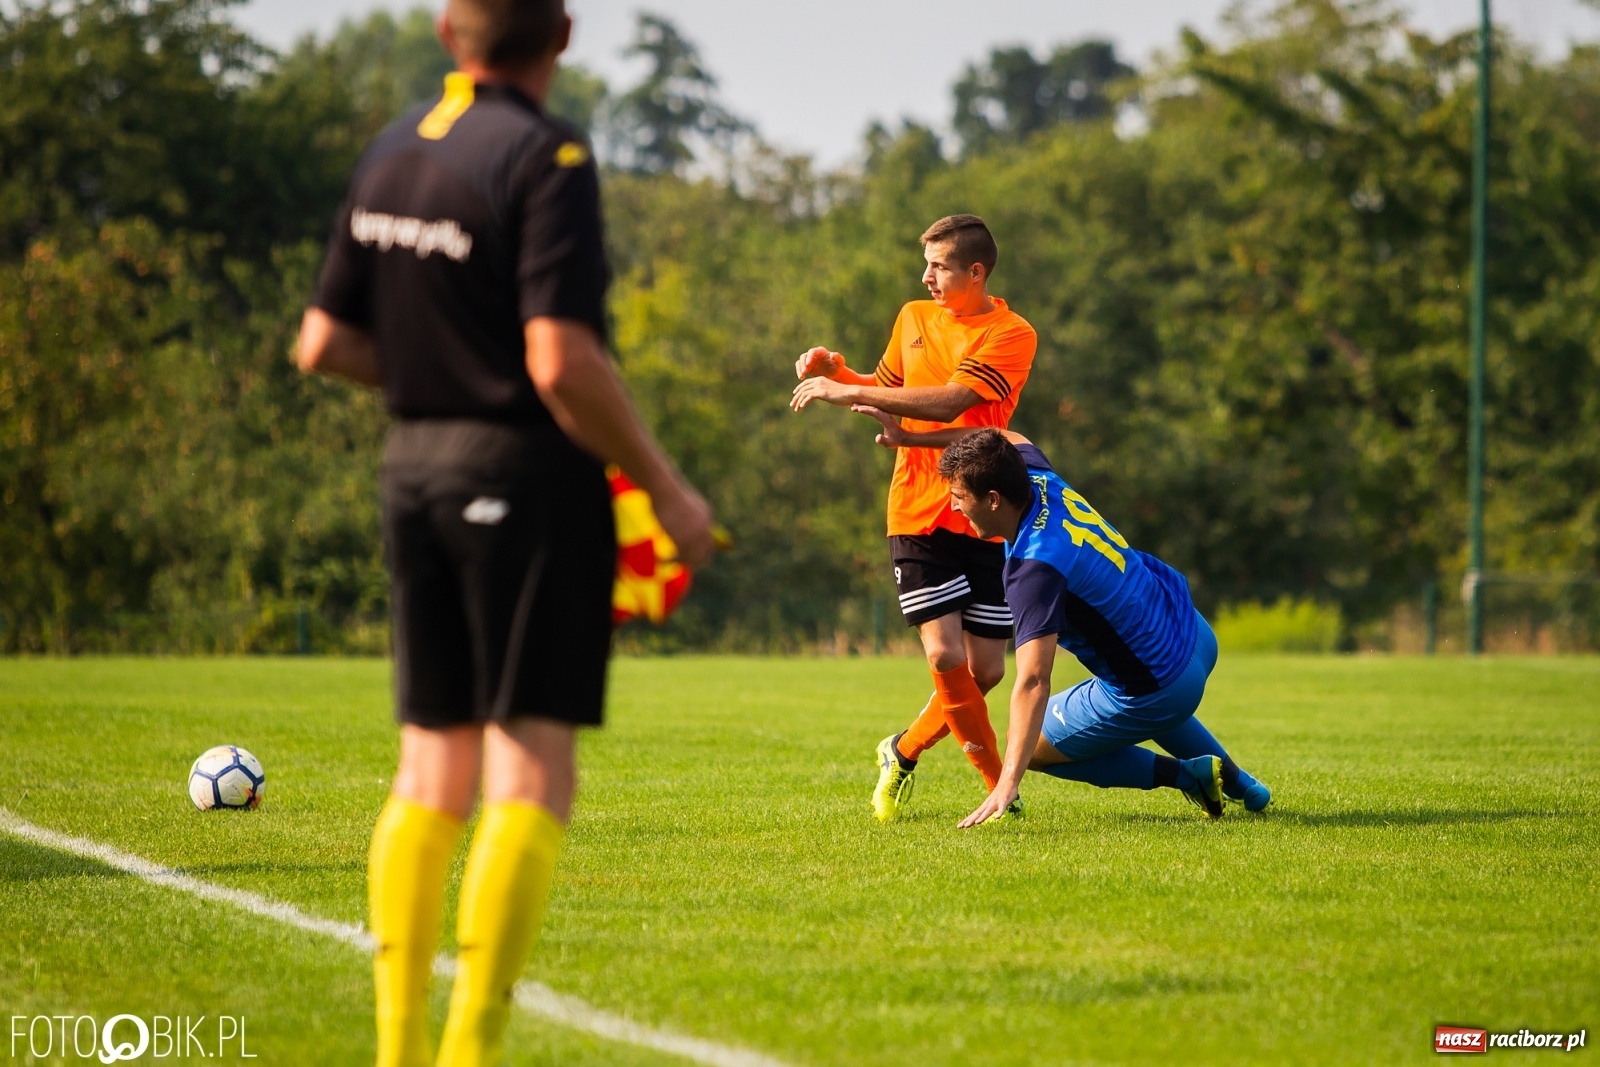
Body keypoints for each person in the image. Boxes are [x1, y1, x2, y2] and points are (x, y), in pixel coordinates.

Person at [295, 2, 715, 1064]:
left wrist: (440, 373)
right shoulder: (547, 155)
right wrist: (664, 488)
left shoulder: (392, 149)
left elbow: (322, 342)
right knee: (528, 769)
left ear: (449, 32)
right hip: (523, 477)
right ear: (562, 37)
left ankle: (399, 1045)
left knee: (430, 768)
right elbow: (558, 360)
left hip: (412, 468)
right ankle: (471, 1049)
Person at [864, 422, 1271, 827]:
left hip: (1163, 687)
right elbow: (1004, 435)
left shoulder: (1035, 568)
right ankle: (1246, 788)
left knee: (1034, 747)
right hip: (1195, 635)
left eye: (959, 497)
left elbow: (1033, 681)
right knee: (1151, 695)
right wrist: (911, 438)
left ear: (992, 500)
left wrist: (1007, 781)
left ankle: (1186, 776)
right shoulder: (1034, 474)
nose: (953, 507)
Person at [790, 215, 1036, 822]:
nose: (926, 277)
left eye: (939, 266)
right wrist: (840, 374)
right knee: (947, 656)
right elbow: (888, 388)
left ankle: (899, 750)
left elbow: (954, 403)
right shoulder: (912, 317)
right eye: (924, 263)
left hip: (986, 511)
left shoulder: (1011, 333)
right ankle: (999, 790)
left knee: (987, 669)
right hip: (918, 508)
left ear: (975, 273)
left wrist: (848, 395)